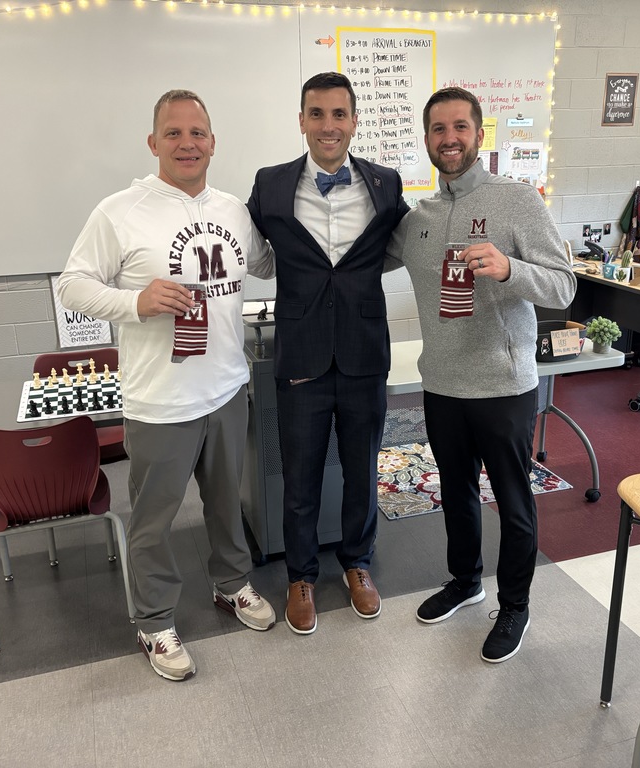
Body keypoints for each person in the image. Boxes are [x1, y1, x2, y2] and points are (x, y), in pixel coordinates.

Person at [56, 90, 277, 682]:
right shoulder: (119, 211)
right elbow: (72, 286)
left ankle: (231, 585)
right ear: (153, 143)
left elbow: (267, 263)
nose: (187, 143)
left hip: (228, 388)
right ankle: (154, 620)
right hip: (160, 401)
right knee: (153, 519)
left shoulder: (233, 210)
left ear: (213, 142)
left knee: (228, 503)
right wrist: (135, 301)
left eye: (198, 133)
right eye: (174, 133)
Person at [390, 86, 576, 663]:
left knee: (515, 502)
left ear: (479, 134)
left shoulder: (516, 200)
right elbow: (361, 256)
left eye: (460, 128)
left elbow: (564, 284)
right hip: (442, 384)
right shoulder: (416, 218)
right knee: (456, 492)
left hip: (503, 386)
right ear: (426, 139)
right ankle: (466, 581)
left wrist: (509, 268)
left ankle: (514, 604)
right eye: (438, 129)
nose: (449, 139)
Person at [247, 72, 409, 634]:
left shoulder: (386, 184)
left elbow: (387, 252)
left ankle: (358, 564)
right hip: (302, 355)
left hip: (365, 351)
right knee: (300, 475)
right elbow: (258, 257)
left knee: (364, 470)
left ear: (355, 120)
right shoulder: (269, 185)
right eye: (317, 114)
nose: (328, 126)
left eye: (339, 114)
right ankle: (301, 575)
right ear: (301, 121)